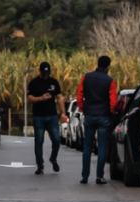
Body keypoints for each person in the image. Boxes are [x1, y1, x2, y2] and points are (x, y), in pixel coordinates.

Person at [76, 55, 118, 184]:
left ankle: (85, 176)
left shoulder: (86, 77)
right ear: (108, 66)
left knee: (87, 146)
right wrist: (111, 112)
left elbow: (79, 95)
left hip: (89, 114)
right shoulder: (110, 81)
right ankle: (99, 176)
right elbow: (114, 102)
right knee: (102, 147)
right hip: (104, 116)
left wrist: (83, 108)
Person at [27, 61, 67, 175]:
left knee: (57, 140)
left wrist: (63, 113)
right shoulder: (34, 83)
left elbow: (59, 97)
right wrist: (41, 98)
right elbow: (30, 98)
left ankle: (53, 158)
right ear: (39, 71)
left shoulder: (54, 82)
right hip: (38, 117)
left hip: (52, 116)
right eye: (44, 73)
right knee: (39, 141)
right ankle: (40, 165)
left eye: (47, 73)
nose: (46, 75)